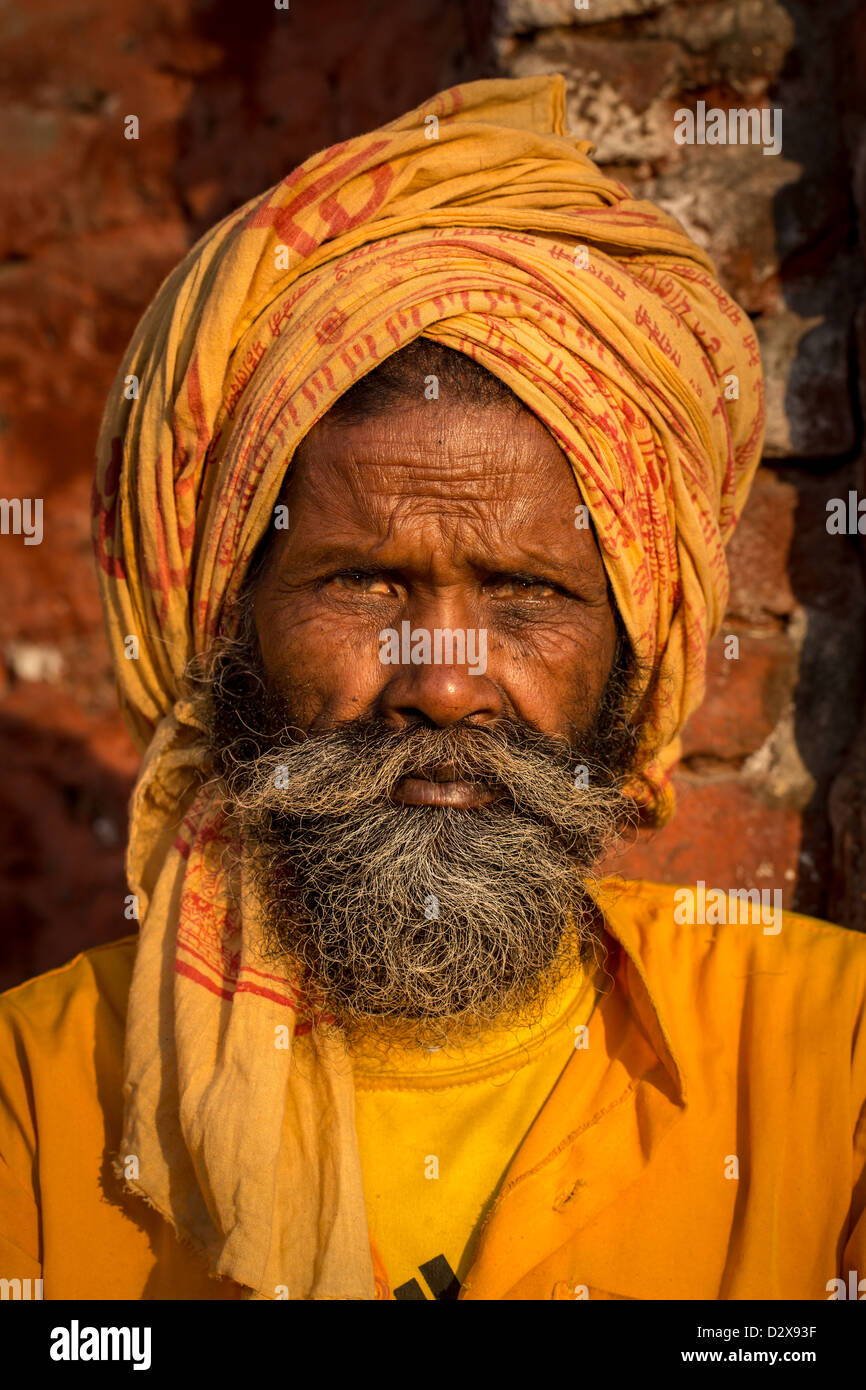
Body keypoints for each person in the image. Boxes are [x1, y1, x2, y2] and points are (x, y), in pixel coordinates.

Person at [1, 75, 864, 1303]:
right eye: (360, 585)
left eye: (526, 594)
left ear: (637, 644)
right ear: (225, 622)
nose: (444, 685)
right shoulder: (34, 1106)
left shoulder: (829, 1064)